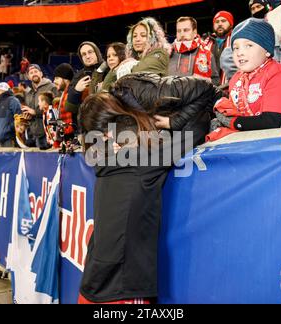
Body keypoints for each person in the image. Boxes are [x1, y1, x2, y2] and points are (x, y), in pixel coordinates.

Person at [78, 73, 222, 304]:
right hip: (120, 289)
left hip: (94, 283)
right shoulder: (142, 158)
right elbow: (196, 130)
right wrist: (171, 122)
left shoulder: (103, 160)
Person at [207, 18, 281, 142]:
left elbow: (271, 122)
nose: (240, 53)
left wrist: (233, 123)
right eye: (236, 48)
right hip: (247, 142)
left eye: (248, 45)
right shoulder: (236, 78)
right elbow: (236, 113)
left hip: (275, 146)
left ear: (266, 50)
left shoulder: (276, 72)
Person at [169, 16, 220, 85]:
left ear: (195, 32)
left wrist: (203, 83)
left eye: (186, 30)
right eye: (179, 31)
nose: (182, 34)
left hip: (197, 95)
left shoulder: (207, 53)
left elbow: (216, 80)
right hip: (170, 95)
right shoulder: (168, 52)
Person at [23, 64, 59, 149]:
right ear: (28, 77)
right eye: (31, 73)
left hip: (49, 133)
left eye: (36, 71)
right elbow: (30, 111)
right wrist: (28, 116)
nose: (34, 74)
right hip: (34, 133)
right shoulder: (28, 93)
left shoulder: (51, 87)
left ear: (41, 73)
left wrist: (35, 112)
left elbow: (57, 108)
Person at [65, 41, 105, 115]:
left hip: (111, 122)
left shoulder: (109, 69)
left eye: (90, 52)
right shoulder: (78, 76)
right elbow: (69, 108)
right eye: (84, 54)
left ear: (97, 52)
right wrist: (76, 91)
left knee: (112, 126)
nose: (87, 56)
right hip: (87, 123)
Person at [203, 11, 235, 86]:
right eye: (217, 22)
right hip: (210, 89)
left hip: (231, 86)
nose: (220, 24)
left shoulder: (237, 40)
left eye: (223, 21)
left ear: (231, 24)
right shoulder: (205, 43)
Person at [0, 82, 22, 147]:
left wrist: (8, 130)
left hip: (10, 138)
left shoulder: (13, 101)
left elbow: (19, 118)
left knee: (11, 156)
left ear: (1, 91)